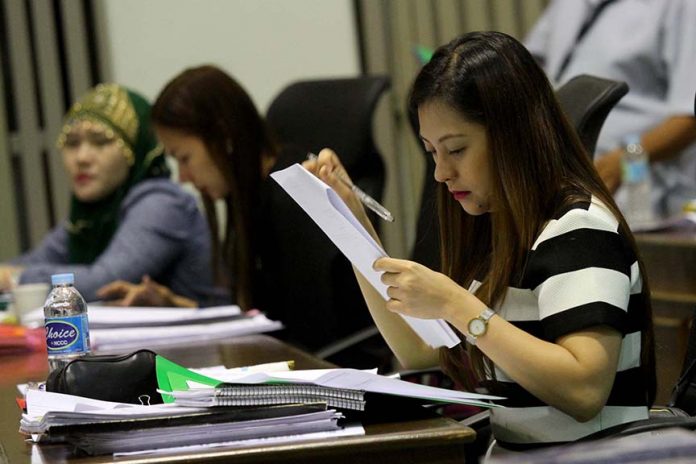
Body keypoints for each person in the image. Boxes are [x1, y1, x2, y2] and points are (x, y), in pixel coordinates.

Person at [304, 31, 656, 452]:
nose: (440, 173)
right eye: (431, 151)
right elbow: (419, 351)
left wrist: (458, 304)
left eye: (455, 149)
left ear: (514, 135)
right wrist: (351, 219)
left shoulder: (579, 227)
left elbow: (582, 390)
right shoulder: (500, 226)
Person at [97, 66, 385, 366]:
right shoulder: (254, 197)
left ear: (223, 136)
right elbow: (263, 318)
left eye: (185, 158)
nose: (182, 177)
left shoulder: (291, 201)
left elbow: (310, 335)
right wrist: (176, 306)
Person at [0, 83, 219, 304]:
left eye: (100, 141)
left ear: (134, 150)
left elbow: (103, 282)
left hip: (216, 337)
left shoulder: (162, 203)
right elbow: (36, 261)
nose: (82, 157)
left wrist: (15, 278)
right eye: (72, 143)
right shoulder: (91, 214)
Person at [525, 0, 696, 220]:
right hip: (564, 180)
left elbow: (689, 116)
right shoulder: (567, 4)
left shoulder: (682, 6)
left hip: (640, 193)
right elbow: (526, 65)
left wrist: (622, 163)